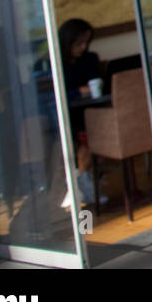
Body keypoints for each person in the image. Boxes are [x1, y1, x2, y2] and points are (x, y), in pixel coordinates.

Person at [58, 18, 104, 208]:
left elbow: (97, 85)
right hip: (63, 115)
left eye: (86, 42)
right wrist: (78, 91)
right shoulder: (54, 63)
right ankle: (82, 181)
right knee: (84, 132)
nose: (83, 47)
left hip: (90, 112)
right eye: (79, 43)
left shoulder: (90, 59)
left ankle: (81, 181)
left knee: (92, 128)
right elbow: (54, 94)